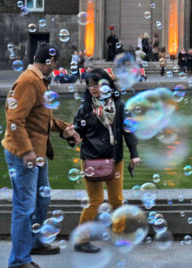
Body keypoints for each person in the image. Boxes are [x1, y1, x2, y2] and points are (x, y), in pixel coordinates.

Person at [2, 43, 80, 268]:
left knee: (42, 199)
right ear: (50, 62)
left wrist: (65, 128)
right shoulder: (28, 81)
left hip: (37, 153)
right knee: (24, 207)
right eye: (55, 65)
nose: (55, 69)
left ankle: (34, 243)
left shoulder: (39, 82)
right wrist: (26, 151)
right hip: (24, 154)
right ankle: (19, 261)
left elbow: (40, 120)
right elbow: (14, 119)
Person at [72, 69, 139, 253]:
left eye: (96, 84)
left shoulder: (119, 105)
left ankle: (119, 235)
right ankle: (81, 239)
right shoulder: (84, 108)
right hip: (91, 159)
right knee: (95, 201)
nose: (93, 89)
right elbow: (77, 132)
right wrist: (72, 135)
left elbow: (128, 131)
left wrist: (134, 153)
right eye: (89, 85)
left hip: (114, 157)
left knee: (117, 200)